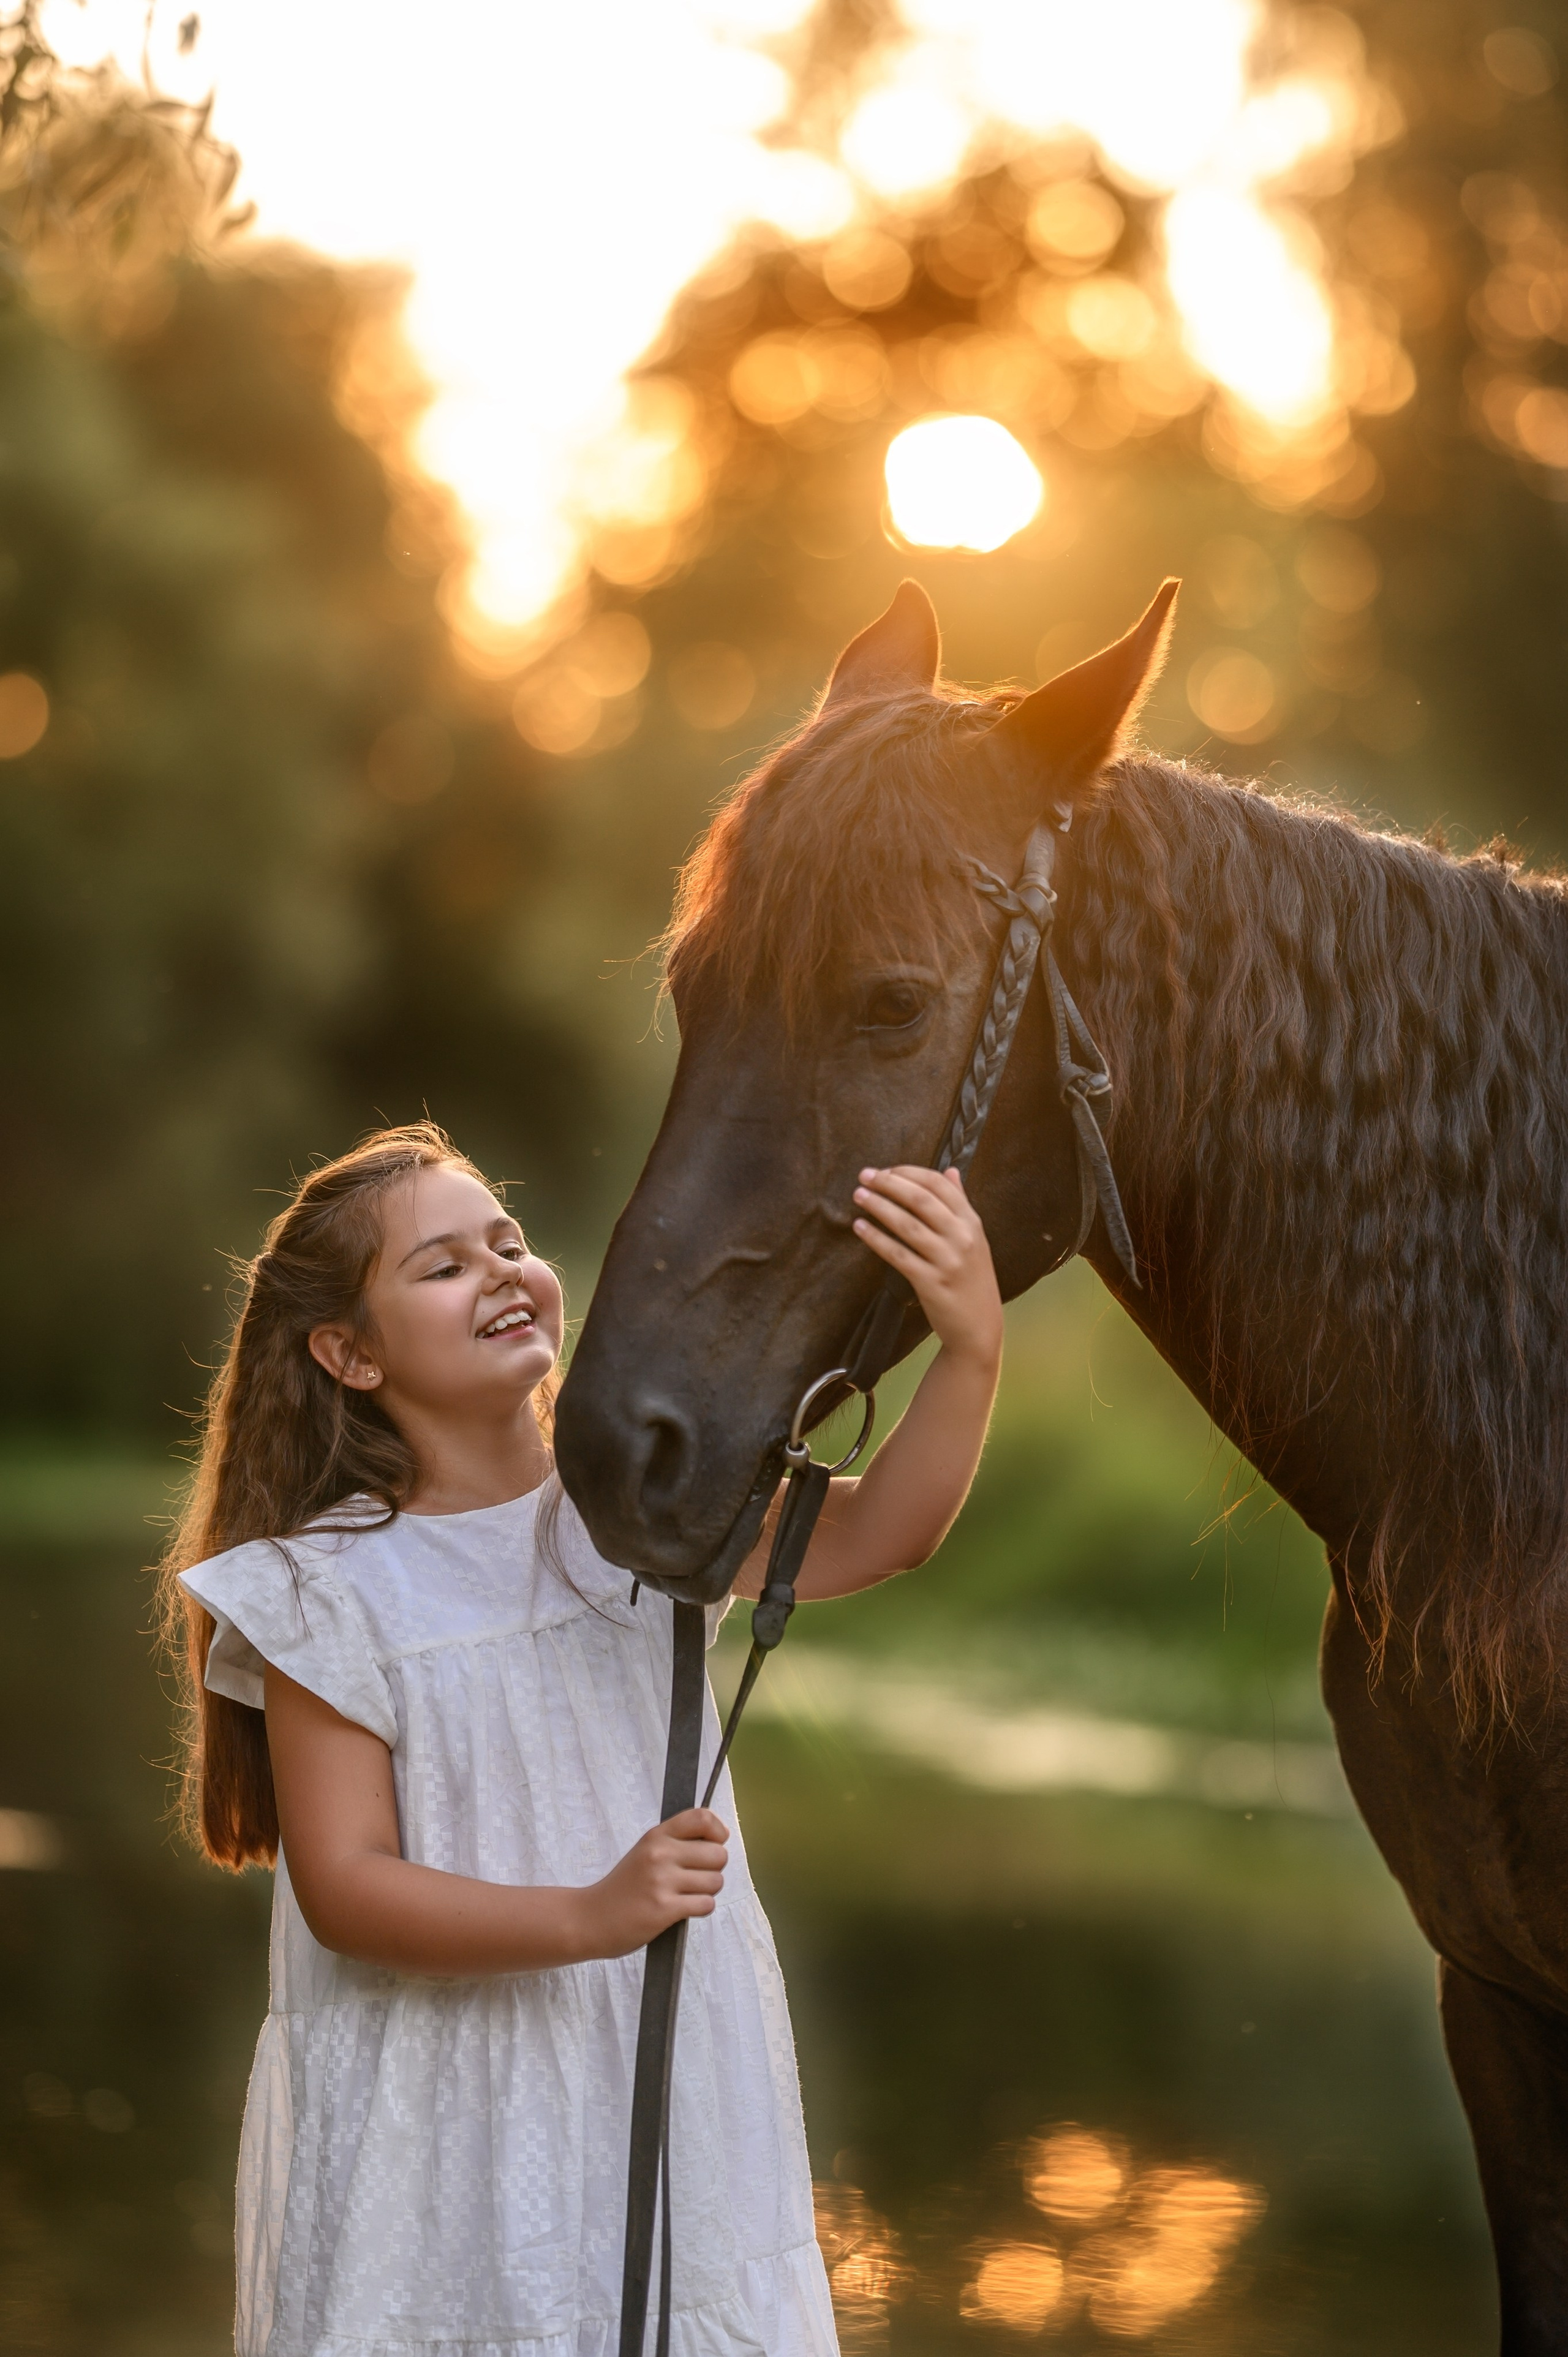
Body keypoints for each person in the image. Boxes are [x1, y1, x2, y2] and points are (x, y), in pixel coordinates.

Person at [162, 1121, 1003, 2357]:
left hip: (659, 2071)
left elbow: (882, 1533)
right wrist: (591, 1915)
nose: (502, 1268)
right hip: (442, 2113)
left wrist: (971, 1344)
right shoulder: (331, 1588)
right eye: (441, 1267)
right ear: (346, 1351)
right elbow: (346, 1887)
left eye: (505, 1240)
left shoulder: (638, 1511)